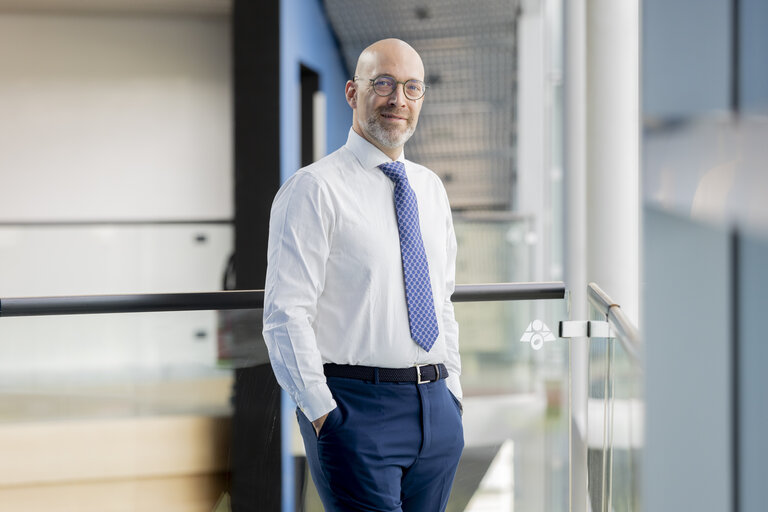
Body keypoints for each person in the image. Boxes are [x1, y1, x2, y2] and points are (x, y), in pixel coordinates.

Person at [263, 38, 463, 511]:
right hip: (355, 411)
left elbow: (443, 303)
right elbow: (285, 315)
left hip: (436, 411)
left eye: (412, 88)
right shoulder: (313, 190)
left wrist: (452, 395)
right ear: (353, 92)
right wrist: (322, 415)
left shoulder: (431, 190)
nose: (398, 100)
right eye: (384, 84)